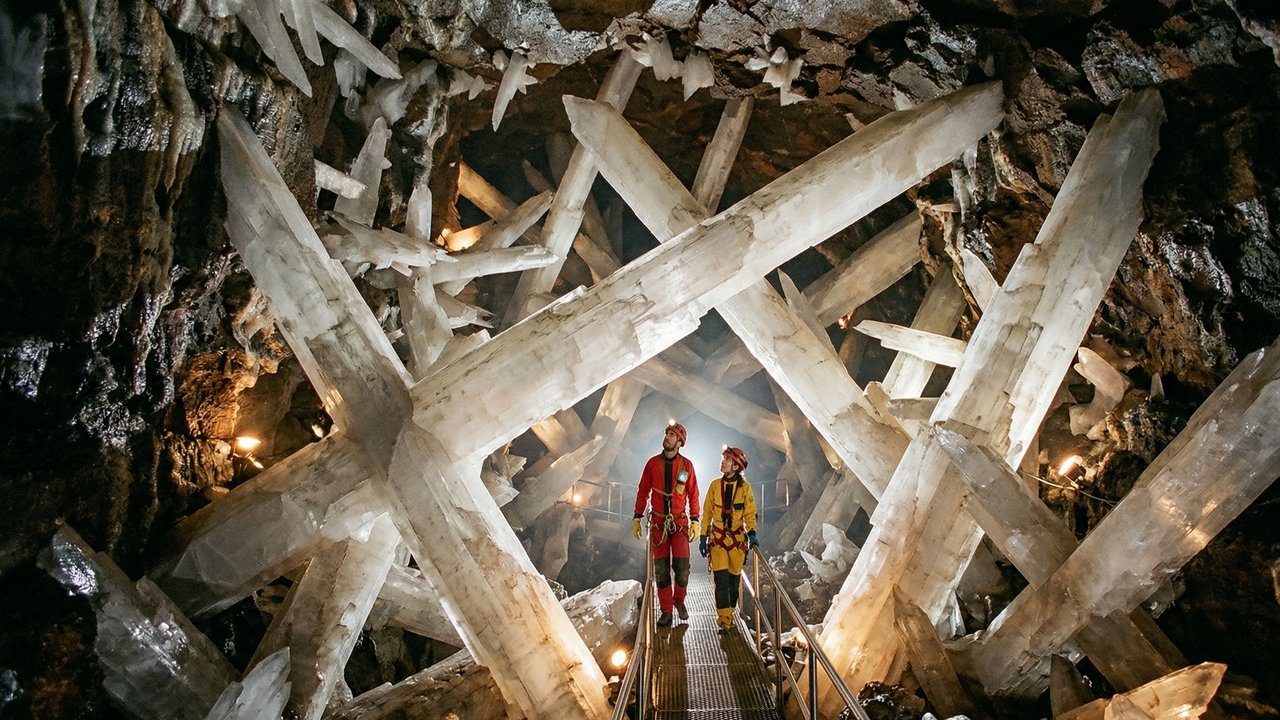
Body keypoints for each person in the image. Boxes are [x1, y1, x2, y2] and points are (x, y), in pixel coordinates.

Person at [633, 421, 700, 627]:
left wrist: (696, 519)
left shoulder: (686, 466)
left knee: (682, 569)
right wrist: (637, 516)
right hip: (659, 524)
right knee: (661, 572)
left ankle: (679, 602)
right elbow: (643, 491)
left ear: (679, 442)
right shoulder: (653, 464)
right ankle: (666, 611)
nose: (667, 437)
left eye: (672, 435)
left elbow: (693, 494)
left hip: (679, 523)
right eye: (667, 434)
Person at [699, 446, 758, 631]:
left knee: (733, 582)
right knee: (721, 580)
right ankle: (724, 619)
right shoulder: (715, 485)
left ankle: (730, 612)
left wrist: (752, 533)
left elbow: (749, 513)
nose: (723, 461)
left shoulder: (745, 489)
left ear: (735, 466)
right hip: (717, 539)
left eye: (727, 460)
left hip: (736, 542)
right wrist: (703, 535)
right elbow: (707, 510)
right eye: (723, 458)